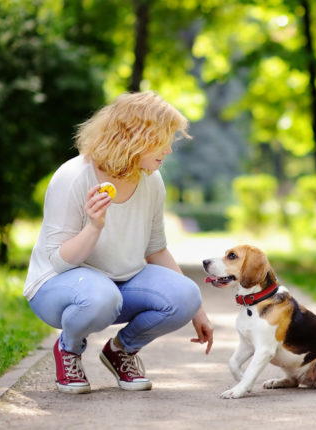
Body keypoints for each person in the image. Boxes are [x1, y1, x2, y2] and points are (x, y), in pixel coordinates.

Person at [23, 91, 213, 394]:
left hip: (119, 284)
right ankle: (68, 350)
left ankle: (121, 350)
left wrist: (197, 311)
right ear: (137, 136)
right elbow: (59, 262)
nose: (169, 150)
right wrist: (94, 227)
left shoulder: (152, 181)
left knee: (187, 295)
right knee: (102, 296)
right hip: (56, 287)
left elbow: (156, 250)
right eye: (164, 140)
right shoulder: (73, 176)